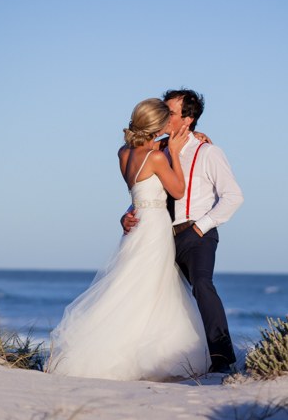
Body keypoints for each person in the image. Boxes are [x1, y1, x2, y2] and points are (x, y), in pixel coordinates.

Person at [50, 98, 209, 381]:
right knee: (152, 287)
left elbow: (140, 185)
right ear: (157, 126)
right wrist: (173, 149)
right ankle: (143, 357)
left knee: (131, 284)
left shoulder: (124, 152)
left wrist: (191, 138)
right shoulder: (158, 157)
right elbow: (178, 190)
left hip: (136, 225)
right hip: (154, 227)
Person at [123, 89, 243, 373]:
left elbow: (233, 197)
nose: (164, 117)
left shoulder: (209, 151)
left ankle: (222, 358)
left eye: (171, 113)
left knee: (202, 285)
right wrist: (125, 216)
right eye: (163, 111)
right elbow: (145, 195)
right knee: (158, 296)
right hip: (161, 236)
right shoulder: (157, 150)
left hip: (198, 233)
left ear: (188, 119)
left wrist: (202, 227)